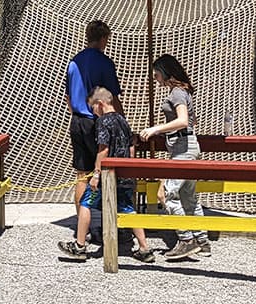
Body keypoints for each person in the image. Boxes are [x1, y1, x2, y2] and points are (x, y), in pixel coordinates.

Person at [58, 87, 154, 263]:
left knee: (86, 202)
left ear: (100, 104)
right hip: (125, 174)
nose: (93, 112)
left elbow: (104, 149)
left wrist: (96, 173)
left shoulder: (103, 122)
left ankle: (79, 246)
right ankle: (144, 248)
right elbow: (132, 145)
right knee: (128, 208)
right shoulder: (123, 121)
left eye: (93, 108)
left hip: (108, 175)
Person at [139, 54, 210, 260]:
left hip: (183, 148)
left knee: (166, 194)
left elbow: (183, 121)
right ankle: (201, 240)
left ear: (164, 72)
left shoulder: (177, 93)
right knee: (189, 197)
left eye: (157, 74)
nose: (155, 78)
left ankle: (186, 239)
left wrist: (156, 129)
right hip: (184, 146)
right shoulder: (182, 91)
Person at [66, 20, 123, 215]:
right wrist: (121, 122)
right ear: (104, 39)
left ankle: (82, 224)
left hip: (77, 120)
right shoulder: (104, 63)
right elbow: (112, 96)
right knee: (105, 171)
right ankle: (106, 221)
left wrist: (76, 113)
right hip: (97, 121)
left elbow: (68, 95)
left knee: (81, 174)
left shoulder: (74, 62)